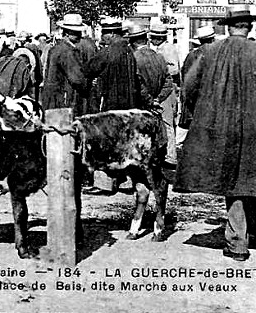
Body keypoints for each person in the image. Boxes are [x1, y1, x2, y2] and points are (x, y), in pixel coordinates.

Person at [175, 4, 256, 263]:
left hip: (222, 128)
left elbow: (188, 87)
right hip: (255, 128)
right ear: (249, 27)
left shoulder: (209, 51)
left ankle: (237, 244)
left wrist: (204, 112)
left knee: (233, 183)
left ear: (228, 26)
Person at [83, 18, 141, 194]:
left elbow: (88, 69)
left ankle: (104, 184)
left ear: (112, 33)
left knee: (105, 142)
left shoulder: (108, 52)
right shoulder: (128, 50)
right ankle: (126, 181)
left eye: (104, 33)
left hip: (111, 103)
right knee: (125, 143)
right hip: (128, 105)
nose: (102, 36)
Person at [130, 24, 176, 168]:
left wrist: (150, 100)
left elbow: (139, 84)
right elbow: (169, 82)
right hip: (157, 101)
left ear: (132, 42)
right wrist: (158, 99)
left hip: (143, 103)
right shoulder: (159, 57)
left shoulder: (134, 58)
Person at [176, 26, 215, 160]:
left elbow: (185, 79)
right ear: (213, 38)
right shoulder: (218, 54)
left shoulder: (191, 55)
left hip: (194, 103)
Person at [41, 14, 89, 112]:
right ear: (66, 33)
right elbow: (76, 78)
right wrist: (88, 83)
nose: (79, 35)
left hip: (53, 97)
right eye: (76, 32)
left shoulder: (56, 48)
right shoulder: (67, 51)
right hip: (64, 98)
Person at [149, 23, 181, 87]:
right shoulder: (160, 48)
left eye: (152, 37)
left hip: (170, 84)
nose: (150, 40)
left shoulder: (168, 48)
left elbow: (174, 69)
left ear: (160, 38)